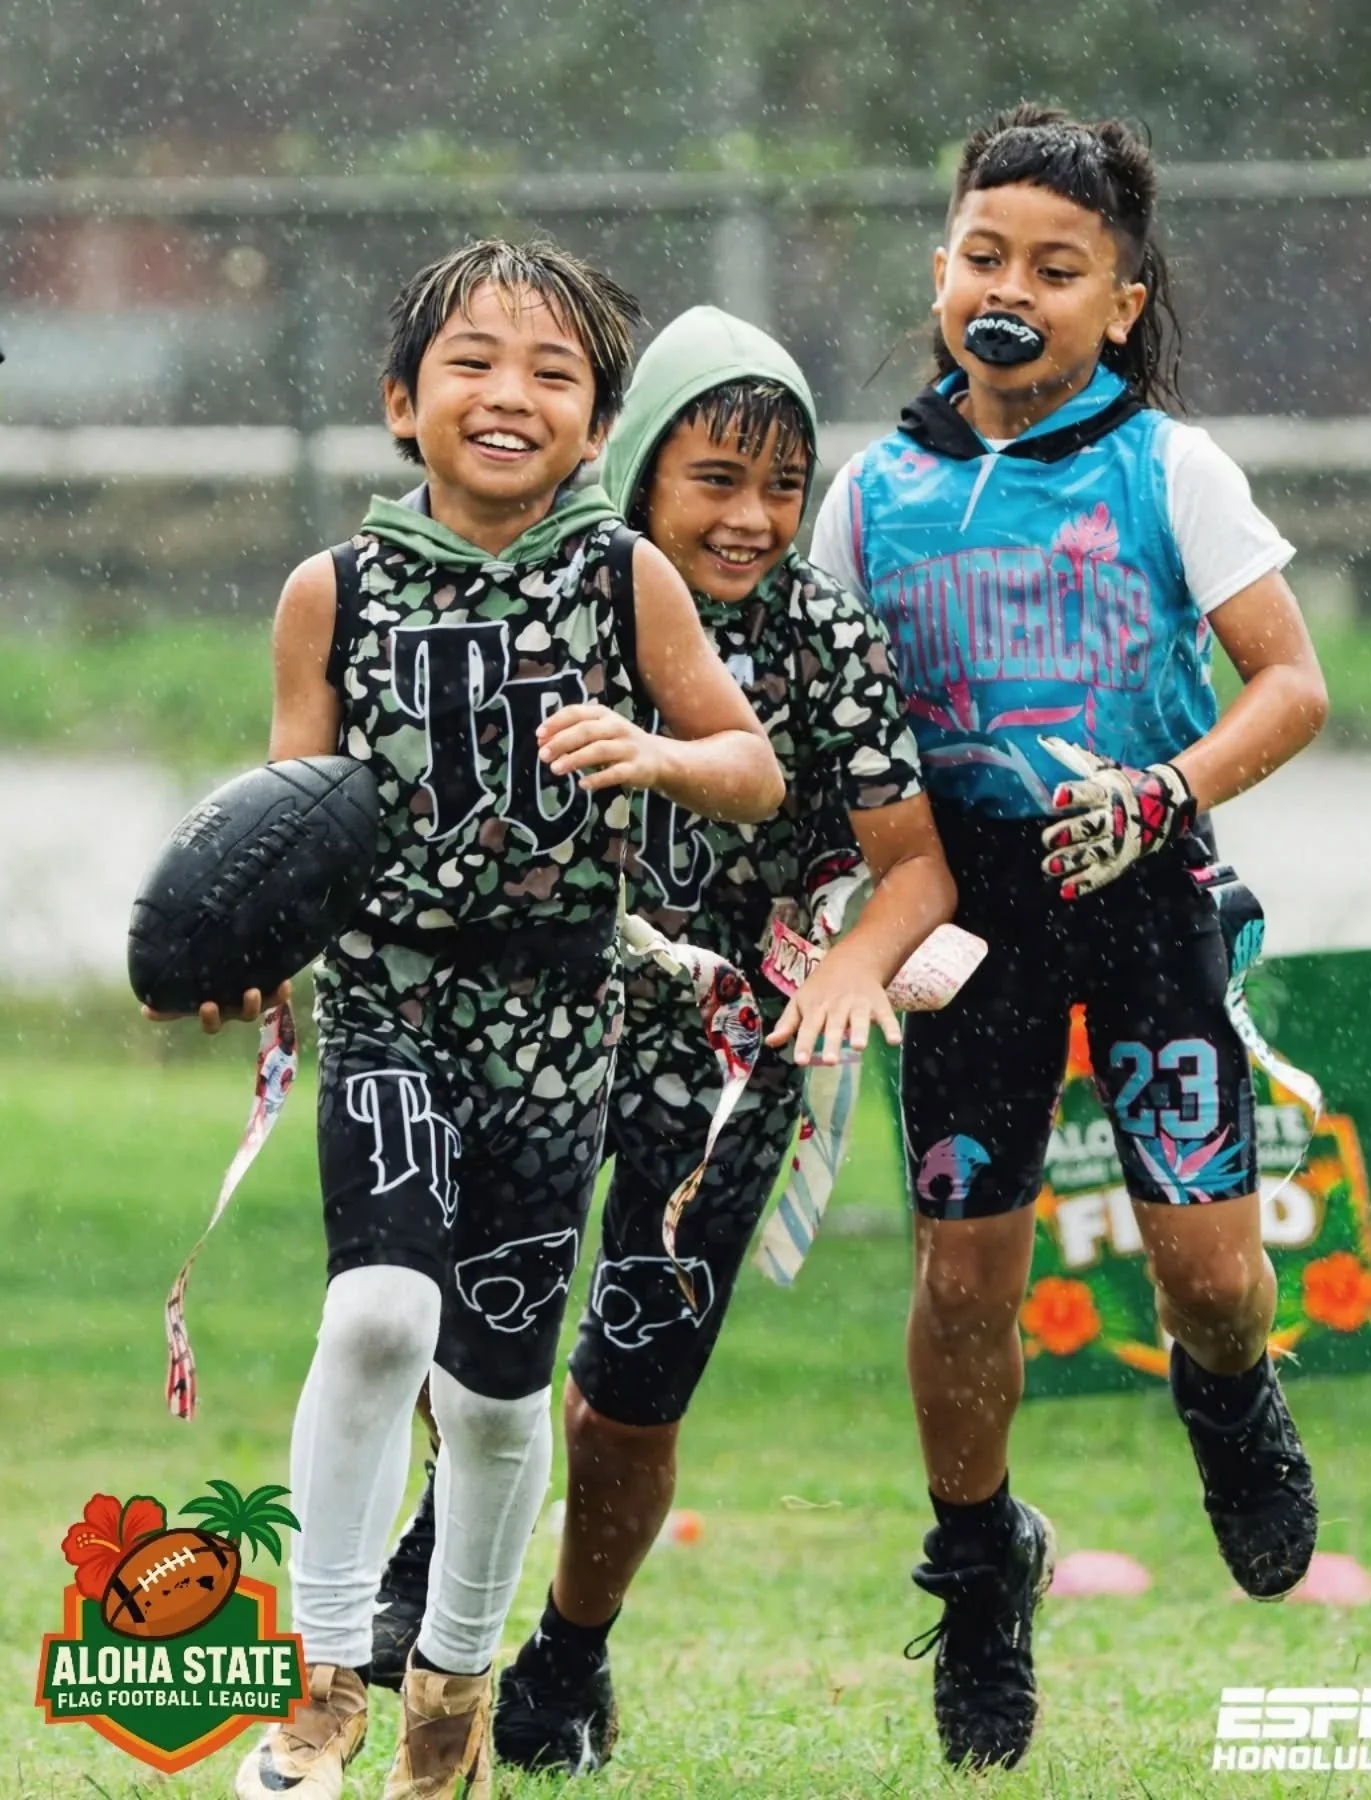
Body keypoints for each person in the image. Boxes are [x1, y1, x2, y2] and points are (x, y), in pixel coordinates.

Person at [154, 240, 784, 1800]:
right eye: (473, 364)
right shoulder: (332, 592)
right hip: (391, 1009)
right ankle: (320, 1685)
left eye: (553, 374)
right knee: (378, 1320)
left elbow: (753, 768)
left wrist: (659, 755)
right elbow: (288, 818)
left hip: (559, 1033)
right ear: (400, 402)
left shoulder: (625, 579)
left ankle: (449, 1709)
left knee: (497, 1406)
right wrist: (249, 951)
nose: (510, 394)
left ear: (597, 427)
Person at [808, 106, 1329, 1772]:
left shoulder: (1170, 467)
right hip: (963, 918)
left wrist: (1168, 790)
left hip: (1145, 890)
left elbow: (1292, 683)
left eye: (1055, 267)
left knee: (1212, 1277)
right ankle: (980, 1569)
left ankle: (1230, 1396)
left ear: (1120, 300)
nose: (1009, 292)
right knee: (967, 1273)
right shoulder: (871, 490)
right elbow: (822, 726)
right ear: (937, 273)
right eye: (984, 257)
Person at [370, 305, 956, 1774]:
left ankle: (571, 1656)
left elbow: (916, 867)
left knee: (633, 1387)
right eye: (717, 480)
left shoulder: (823, 637)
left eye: (783, 485)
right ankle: (436, 1546)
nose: (754, 517)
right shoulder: (558, 600)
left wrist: (853, 968)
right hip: (541, 1028)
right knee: (479, 1324)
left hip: (727, 1071)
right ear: (636, 468)